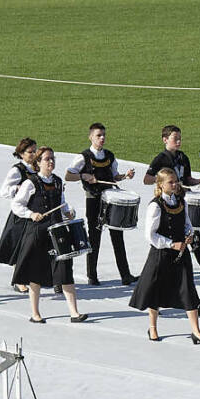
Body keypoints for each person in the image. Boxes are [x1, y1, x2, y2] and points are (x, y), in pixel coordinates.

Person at [129, 168, 200, 344]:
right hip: (161, 254)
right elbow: (150, 235)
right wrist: (171, 244)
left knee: (188, 290)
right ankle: (153, 327)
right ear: (160, 184)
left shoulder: (181, 201)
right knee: (155, 291)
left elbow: (187, 223)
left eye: (176, 181)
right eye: (170, 182)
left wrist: (189, 234)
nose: (175, 185)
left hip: (181, 254)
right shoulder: (155, 205)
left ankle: (196, 331)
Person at [10, 147, 87, 324]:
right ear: (38, 163)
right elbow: (16, 205)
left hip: (58, 232)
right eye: (47, 159)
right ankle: (35, 313)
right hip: (37, 233)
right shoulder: (31, 183)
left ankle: (74, 313)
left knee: (66, 271)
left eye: (52, 158)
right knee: (35, 274)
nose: (51, 161)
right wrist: (31, 214)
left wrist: (69, 212)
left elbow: (62, 204)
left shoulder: (58, 182)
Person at [144, 125, 200, 281]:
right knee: (186, 232)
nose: (178, 141)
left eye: (180, 138)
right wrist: (163, 180)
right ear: (165, 140)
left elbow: (188, 179)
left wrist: (198, 181)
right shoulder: (160, 159)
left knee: (192, 230)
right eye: (174, 138)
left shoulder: (183, 157)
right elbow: (147, 179)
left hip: (183, 199)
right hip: (169, 201)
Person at [67, 123, 137, 287]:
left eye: (104, 135)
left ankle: (125, 275)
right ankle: (92, 275)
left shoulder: (110, 156)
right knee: (95, 237)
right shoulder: (83, 156)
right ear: (90, 137)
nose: (102, 138)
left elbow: (114, 177)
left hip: (111, 198)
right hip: (93, 199)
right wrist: (84, 175)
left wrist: (125, 176)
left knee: (117, 236)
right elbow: (69, 175)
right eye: (99, 135)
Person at [0, 137, 37, 288]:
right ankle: (19, 280)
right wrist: (17, 188)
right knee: (21, 247)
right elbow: (3, 191)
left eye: (35, 151)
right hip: (22, 214)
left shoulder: (38, 167)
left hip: (37, 212)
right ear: (22, 154)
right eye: (30, 152)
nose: (33, 154)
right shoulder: (17, 170)